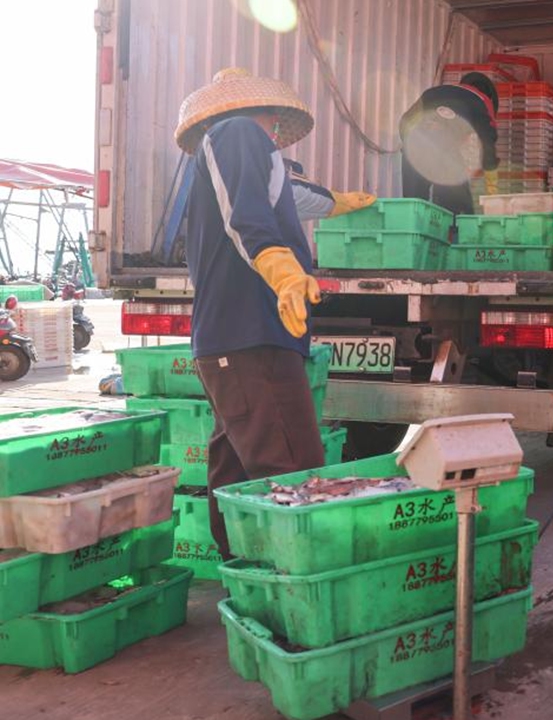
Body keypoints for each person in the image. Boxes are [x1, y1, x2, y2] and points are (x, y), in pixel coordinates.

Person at [174, 68, 329, 559]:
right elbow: (247, 217)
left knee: (237, 467)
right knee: (290, 468)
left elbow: (293, 199)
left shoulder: (251, 153)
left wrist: (340, 203)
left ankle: (244, 572)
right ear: (271, 114)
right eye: (277, 123)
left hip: (234, 341)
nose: (278, 132)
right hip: (251, 336)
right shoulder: (238, 133)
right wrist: (281, 269)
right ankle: (294, 581)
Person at [398, 72, 501, 215]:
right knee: (458, 211)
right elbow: (488, 146)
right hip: (445, 156)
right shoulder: (483, 101)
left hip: (413, 152)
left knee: (414, 210)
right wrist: (492, 190)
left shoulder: (433, 92)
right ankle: (454, 233)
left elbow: (405, 121)